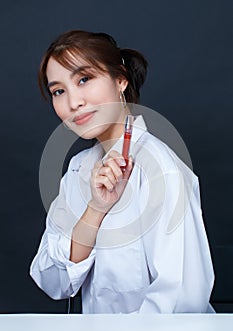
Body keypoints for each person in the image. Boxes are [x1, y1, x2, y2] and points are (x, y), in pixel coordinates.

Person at [30, 29, 215, 313]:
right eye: (59, 91)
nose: (73, 102)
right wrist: (95, 209)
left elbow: (181, 301)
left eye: (84, 79)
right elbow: (52, 281)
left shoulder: (161, 169)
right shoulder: (79, 170)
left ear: (120, 80)